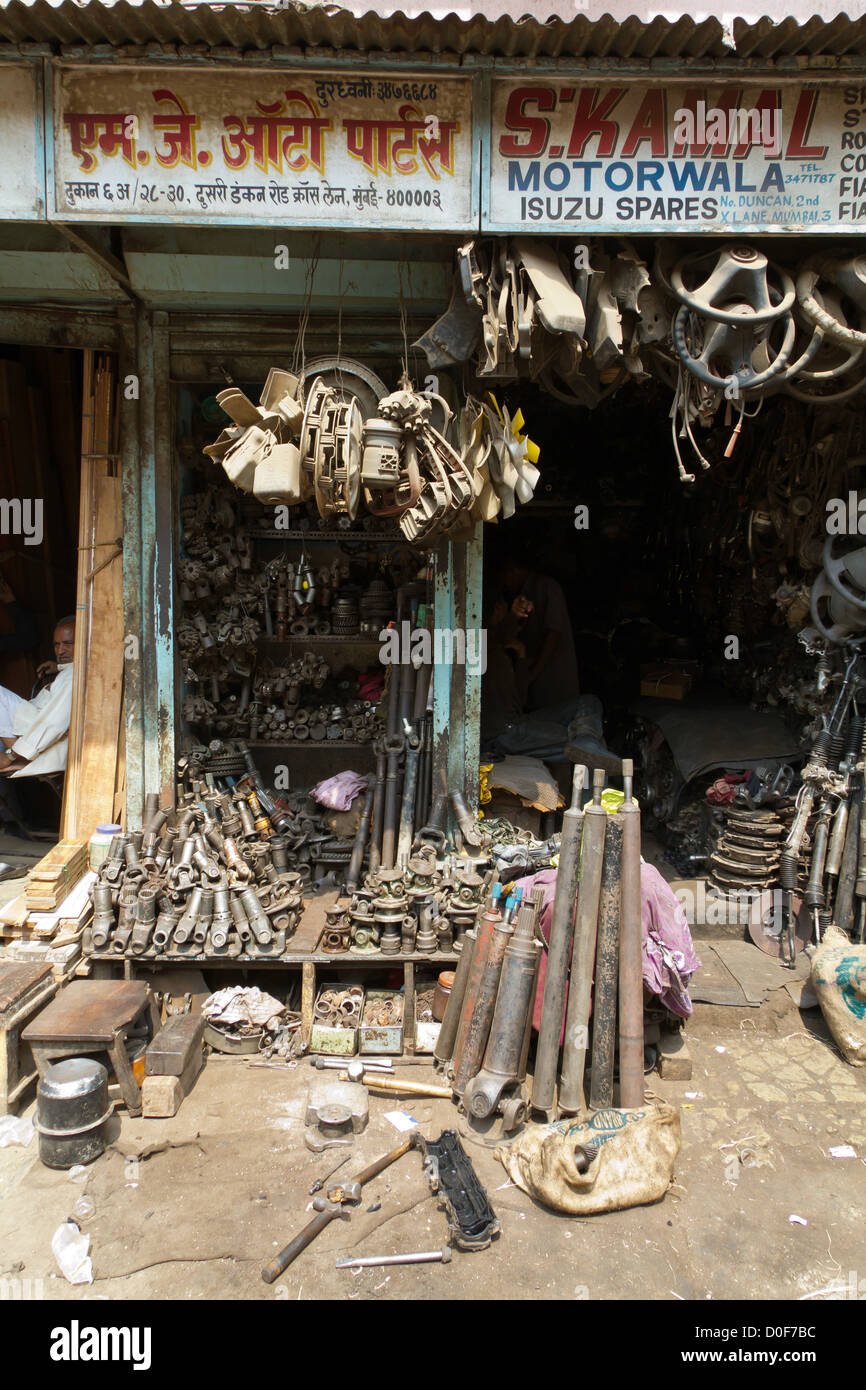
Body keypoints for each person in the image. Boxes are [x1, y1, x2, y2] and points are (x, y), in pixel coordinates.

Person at [0, 616, 75, 778]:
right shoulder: (70, 671)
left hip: (40, 740)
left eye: (68, 644)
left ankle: (14, 754)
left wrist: (12, 755)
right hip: (33, 732)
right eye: (57, 644)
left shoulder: (73, 676)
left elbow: (54, 722)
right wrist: (61, 667)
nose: (61, 651)